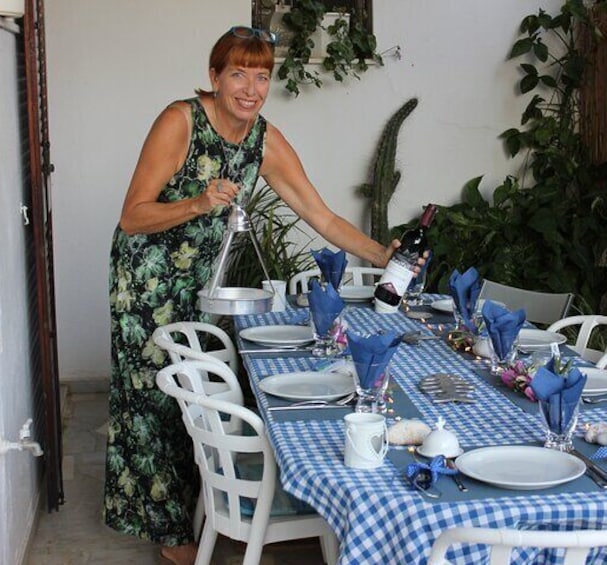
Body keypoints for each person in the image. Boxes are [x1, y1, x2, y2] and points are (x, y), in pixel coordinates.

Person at [104, 27, 410, 565]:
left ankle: (213, 506)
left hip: (207, 284)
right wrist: (198, 204)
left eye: (262, 75)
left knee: (204, 398)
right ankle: (171, 534)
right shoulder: (180, 122)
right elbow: (133, 215)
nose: (250, 88)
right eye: (239, 74)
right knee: (156, 401)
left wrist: (382, 256)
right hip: (148, 285)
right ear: (215, 77)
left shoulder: (263, 139)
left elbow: (321, 216)